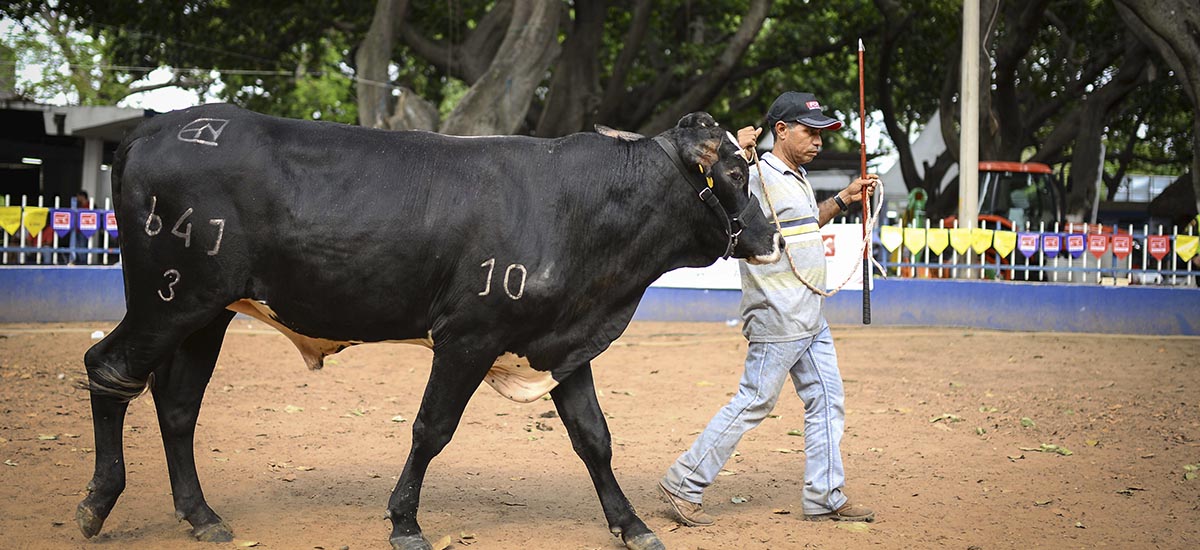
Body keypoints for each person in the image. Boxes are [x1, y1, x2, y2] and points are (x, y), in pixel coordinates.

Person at [659, 91, 878, 525]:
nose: (818, 141)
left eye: (821, 134)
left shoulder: (795, 175)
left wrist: (847, 198)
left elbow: (803, 225)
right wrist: (736, 150)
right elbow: (715, 179)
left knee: (827, 399)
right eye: (809, 132)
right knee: (755, 400)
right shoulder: (753, 171)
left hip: (809, 312)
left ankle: (824, 495)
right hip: (778, 313)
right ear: (781, 130)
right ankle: (684, 481)